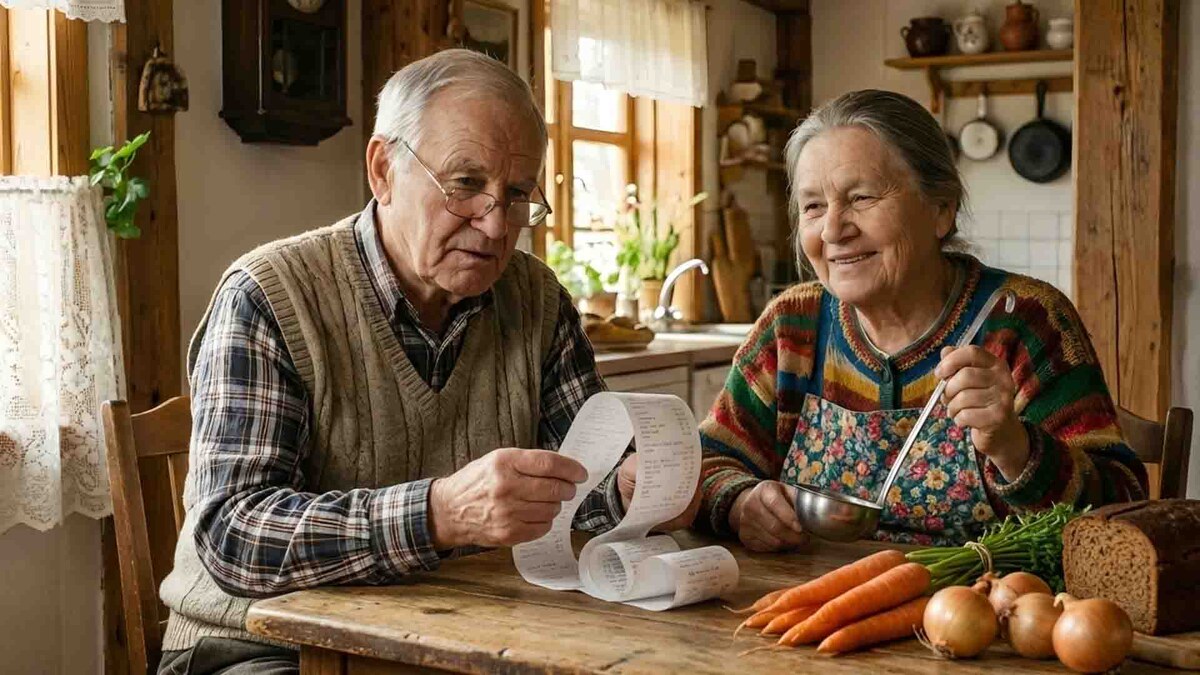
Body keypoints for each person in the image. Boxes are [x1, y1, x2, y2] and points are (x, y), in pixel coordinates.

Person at [157, 49, 698, 675]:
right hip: (258, 647)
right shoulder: (269, 295)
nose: (496, 227)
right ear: (383, 170)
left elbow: (578, 486)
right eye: (467, 184)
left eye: (518, 194)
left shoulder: (537, 298)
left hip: (461, 632)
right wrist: (439, 514)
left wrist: (633, 491)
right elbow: (234, 535)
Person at [696, 89, 1146, 551]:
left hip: (987, 608)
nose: (833, 229)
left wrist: (1016, 447)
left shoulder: (1023, 320)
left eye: (862, 197)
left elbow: (1123, 503)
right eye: (813, 206)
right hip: (809, 609)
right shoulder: (792, 326)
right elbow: (706, 464)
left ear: (941, 209)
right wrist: (737, 502)